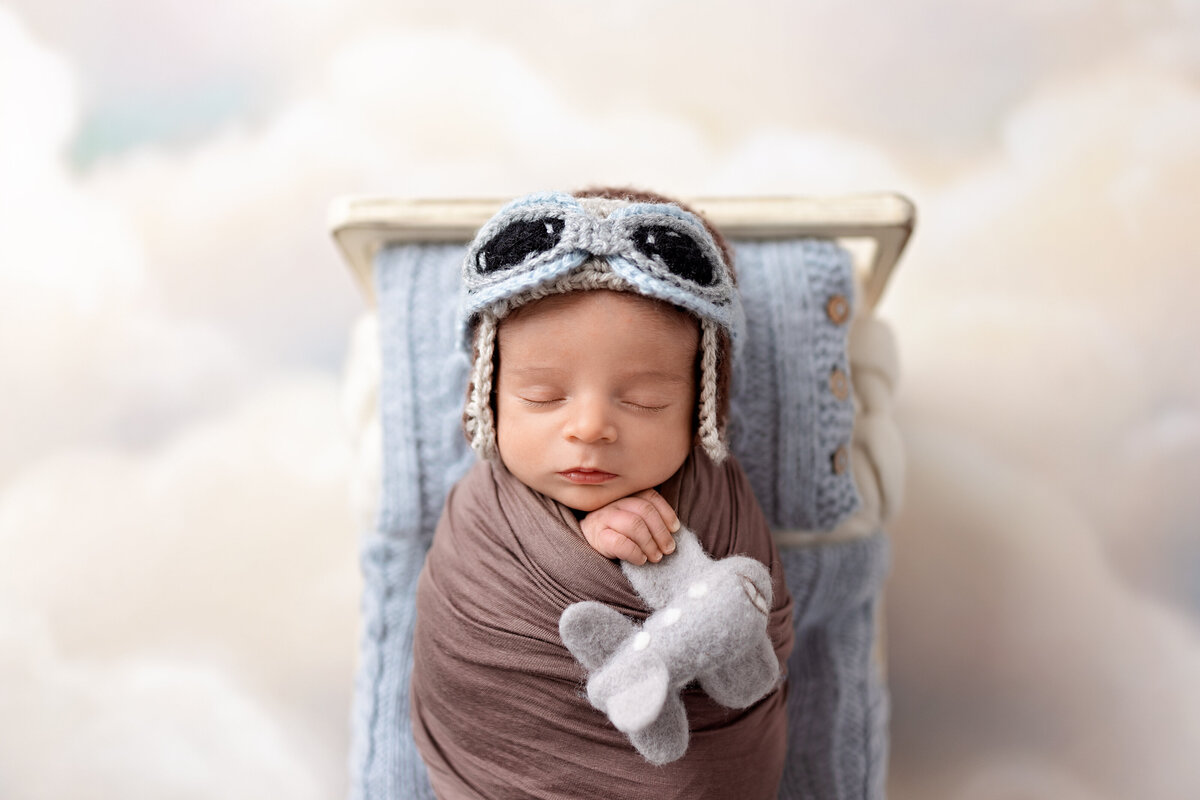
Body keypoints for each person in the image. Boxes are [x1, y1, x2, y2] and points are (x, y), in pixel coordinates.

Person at [409, 188, 795, 800]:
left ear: (703, 412)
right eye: (541, 397)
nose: (589, 428)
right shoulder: (480, 522)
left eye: (644, 402)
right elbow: (466, 668)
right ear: (487, 398)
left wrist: (665, 556)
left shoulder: (720, 505)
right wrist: (584, 546)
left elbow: (754, 629)